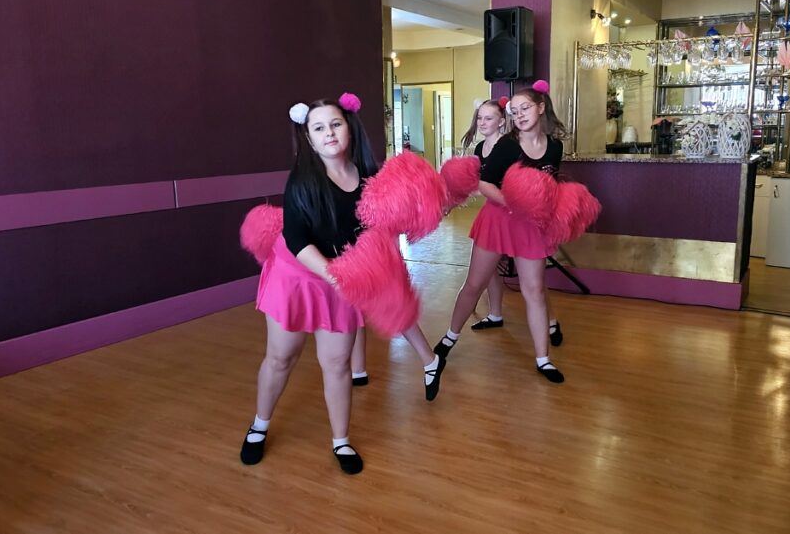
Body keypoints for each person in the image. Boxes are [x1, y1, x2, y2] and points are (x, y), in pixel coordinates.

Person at [240, 95, 445, 476]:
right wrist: (334, 274)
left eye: (335, 124)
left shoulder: (369, 176)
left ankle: (341, 440)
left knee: (336, 364)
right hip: (298, 276)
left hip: (342, 277)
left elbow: (380, 225)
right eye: (319, 128)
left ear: (349, 127)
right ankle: (259, 425)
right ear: (309, 139)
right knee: (281, 358)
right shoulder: (302, 180)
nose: (329, 133)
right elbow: (297, 240)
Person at [436, 83, 567, 383]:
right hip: (498, 219)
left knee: (534, 290)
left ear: (541, 107)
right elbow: (484, 183)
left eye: (525, 108)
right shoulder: (508, 145)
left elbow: (550, 185)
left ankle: (543, 360)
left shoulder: (555, 147)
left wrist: (549, 209)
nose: (519, 115)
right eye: (515, 111)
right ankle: (449, 337)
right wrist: (514, 203)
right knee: (474, 284)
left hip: (530, 225)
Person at [460, 99, 565, 346]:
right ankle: (495, 313)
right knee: (490, 269)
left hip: (522, 218)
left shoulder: (511, 145)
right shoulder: (480, 149)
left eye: (488, 118)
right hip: (496, 216)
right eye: (479, 118)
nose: (482, 122)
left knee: (533, 280)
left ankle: (550, 320)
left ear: (501, 121)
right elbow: (483, 183)